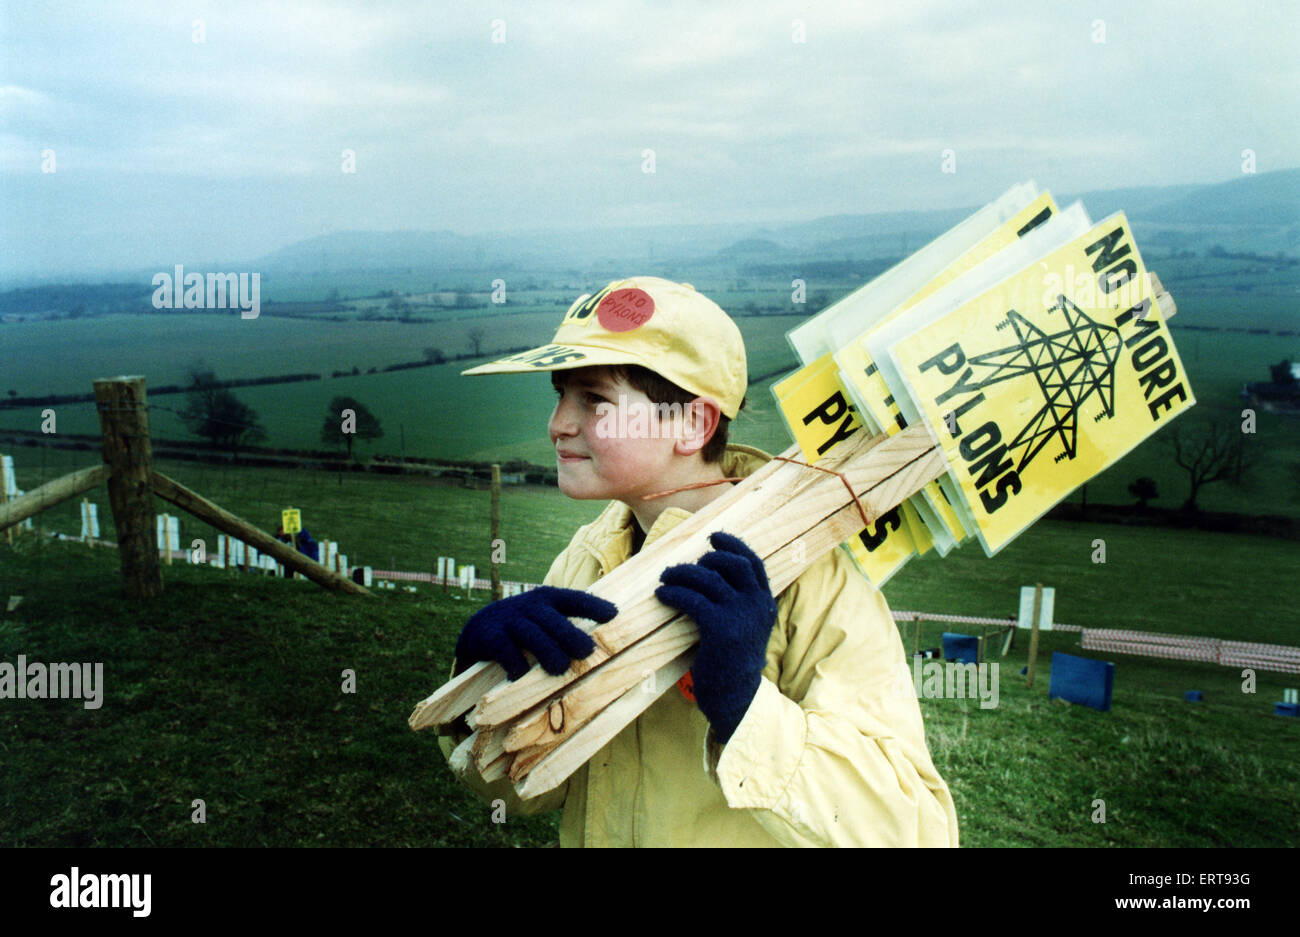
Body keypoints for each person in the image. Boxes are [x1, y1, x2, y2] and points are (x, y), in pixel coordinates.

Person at [437, 276, 958, 847]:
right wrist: (480, 689)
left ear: (693, 423)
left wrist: (744, 707)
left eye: (594, 400)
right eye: (560, 394)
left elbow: (917, 833)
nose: (559, 423)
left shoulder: (810, 582)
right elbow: (529, 791)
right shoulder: (588, 561)